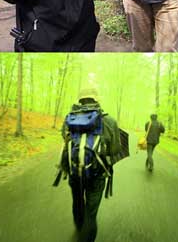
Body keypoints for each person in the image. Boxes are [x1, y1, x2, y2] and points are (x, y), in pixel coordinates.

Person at [58, 89, 122, 242]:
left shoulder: (69, 118)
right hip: (97, 174)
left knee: (78, 203)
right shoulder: (109, 121)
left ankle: (80, 230)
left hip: (75, 171)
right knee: (91, 213)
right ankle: (87, 237)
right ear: (97, 100)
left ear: (80, 101)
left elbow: (65, 138)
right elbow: (115, 149)